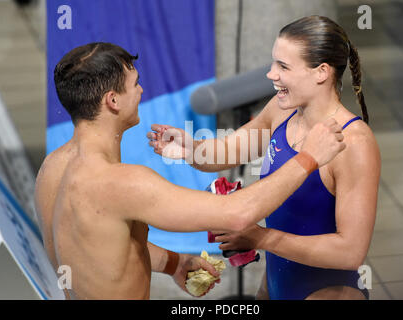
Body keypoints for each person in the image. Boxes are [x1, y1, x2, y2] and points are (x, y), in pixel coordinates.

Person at [35, 42, 345, 300]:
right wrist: (308, 157)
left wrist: (175, 263)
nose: (142, 91)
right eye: (135, 84)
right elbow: (238, 213)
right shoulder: (123, 182)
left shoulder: (53, 167)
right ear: (112, 101)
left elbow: (102, 249)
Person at [148, 16, 381, 300]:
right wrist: (190, 149)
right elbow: (227, 151)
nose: (271, 74)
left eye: (283, 66)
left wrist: (261, 238)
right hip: (276, 284)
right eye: (273, 63)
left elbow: (349, 253)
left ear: (321, 72)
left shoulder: (354, 143)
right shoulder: (282, 112)